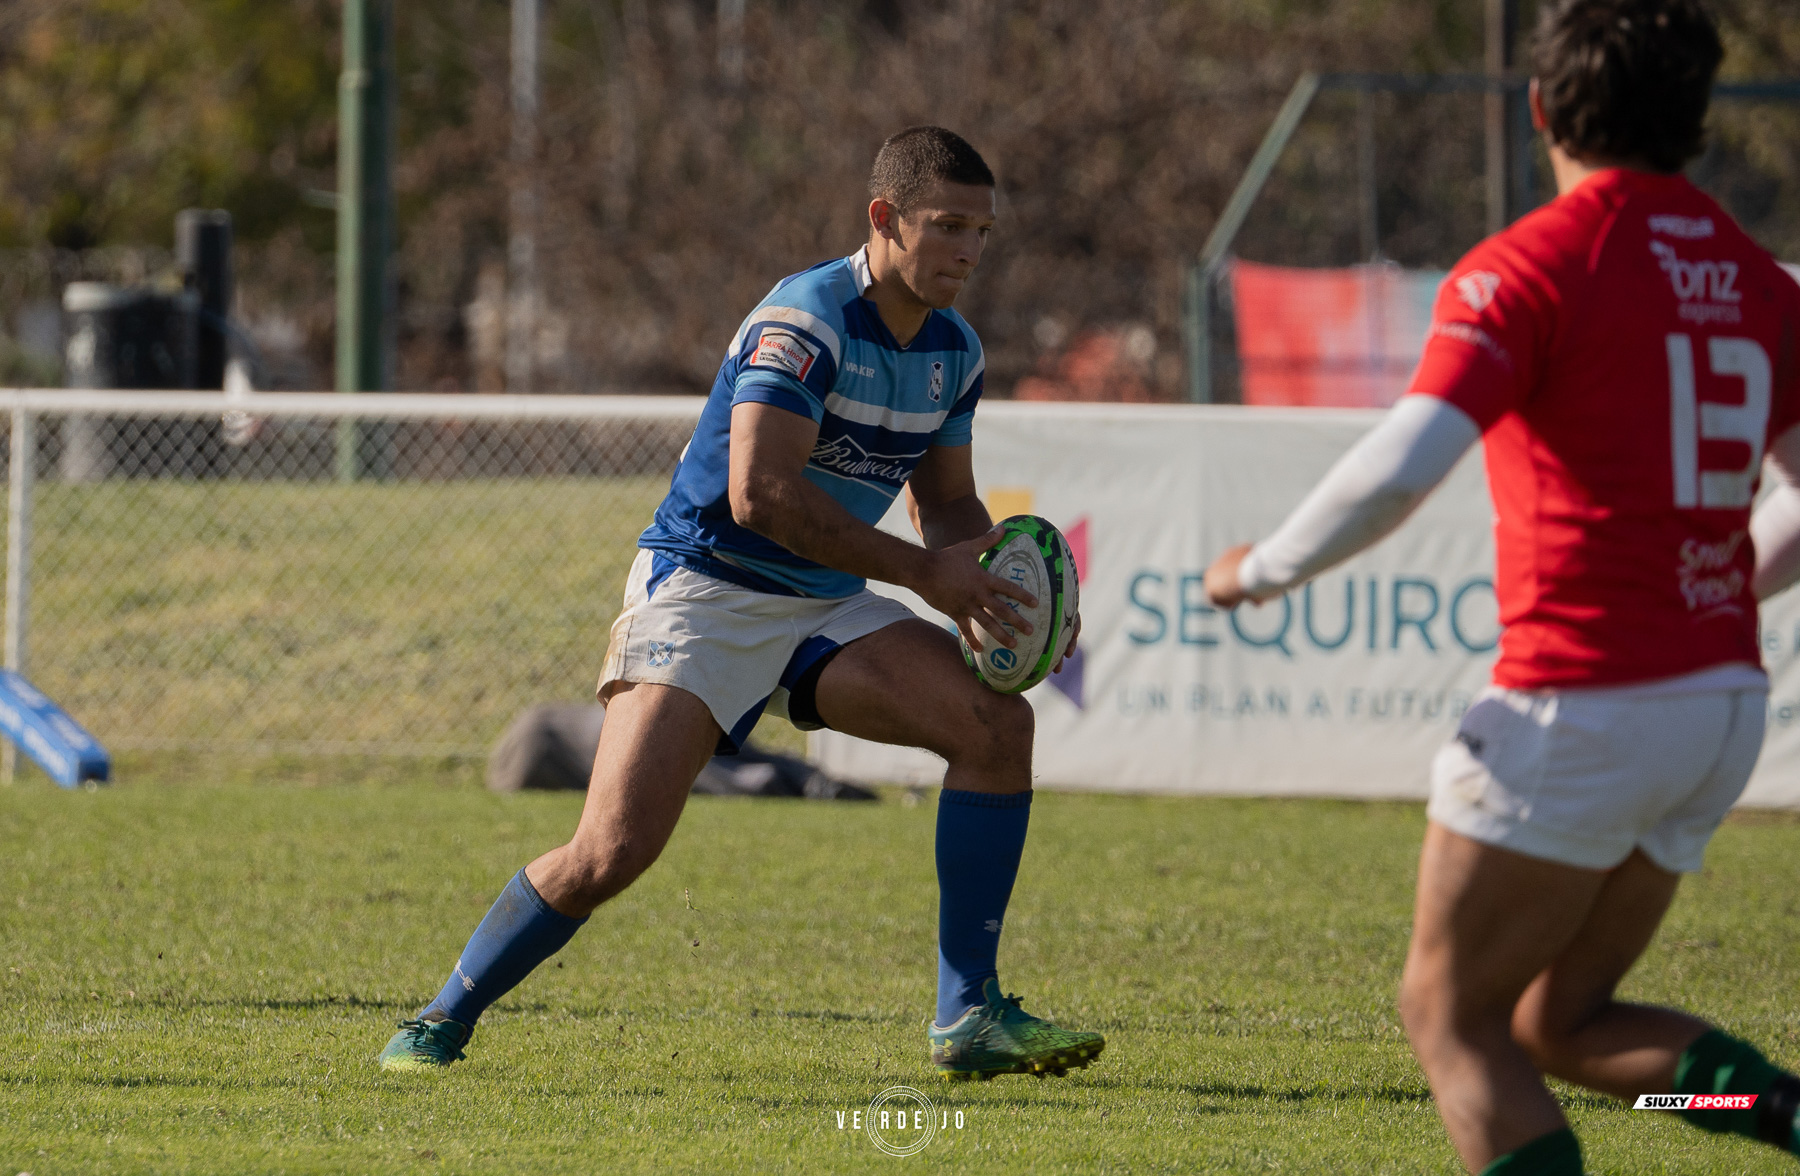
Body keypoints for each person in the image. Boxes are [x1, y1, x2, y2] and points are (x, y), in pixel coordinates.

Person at [1204, 3, 1800, 1171]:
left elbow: (1402, 466)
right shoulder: (1762, 284)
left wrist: (1260, 570)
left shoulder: (1531, 264)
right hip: (1719, 701)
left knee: (1450, 1018)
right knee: (1559, 1026)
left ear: (1538, 112)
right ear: (1696, 121)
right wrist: (1724, 580)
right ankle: (1777, 1112)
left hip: (1583, 699)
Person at [379, 126, 1101, 1082]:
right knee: (614, 850)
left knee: (995, 728)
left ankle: (968, 1015)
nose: (968, 251)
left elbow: (949, 503)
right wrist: (929, 579)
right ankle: (440, 1018)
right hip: (705, 590)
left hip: (824, 605)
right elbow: (760, 494)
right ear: (884, 220)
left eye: (981, 231)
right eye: (947, 227)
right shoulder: (804, 322)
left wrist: (1007, 594)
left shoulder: (954, 350)